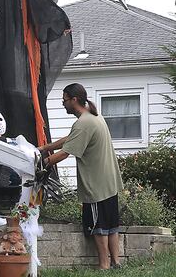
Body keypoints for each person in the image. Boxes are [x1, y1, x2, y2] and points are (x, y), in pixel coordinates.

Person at [37, 83, 124, 270]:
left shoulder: (83, 123)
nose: (63, 103)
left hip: (96, 184)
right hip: (109, 181)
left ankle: (104, 265)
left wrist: (41, 163)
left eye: (64, 99)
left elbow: (65, 153)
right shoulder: (94, 117)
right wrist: (45, 148)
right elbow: (71, 139)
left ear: (74, 100)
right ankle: (117, 262)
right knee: (111, 223)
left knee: (99, 225)